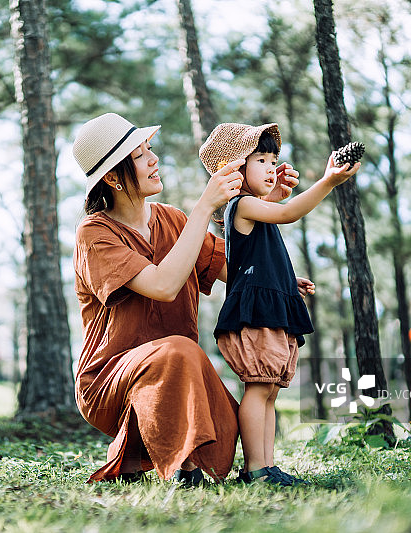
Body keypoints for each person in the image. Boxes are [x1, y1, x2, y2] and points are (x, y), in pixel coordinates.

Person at [71, 113, 300, 485]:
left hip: (183, 370)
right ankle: (182, 467)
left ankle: (178, 459)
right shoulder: (94, 234)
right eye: (140, 155)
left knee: (226, 421)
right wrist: (204, 207)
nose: (154, 160)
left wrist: (265, 203)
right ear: (112, 178)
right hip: (110, 381)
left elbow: (239, 268)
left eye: (150, 149)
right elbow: (163, 286)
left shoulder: (173, 220)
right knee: (178, 349)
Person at [199, 122, 360, 486]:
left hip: (269, 307)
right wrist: (328, 182)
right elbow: (289, 213)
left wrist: (287, 280)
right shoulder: (242, 205)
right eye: (260, 160)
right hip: (254, 314)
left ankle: (266, 466)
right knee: (258, 387)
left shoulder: (256, 209)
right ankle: (255, 468)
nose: (271, 167)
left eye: (273, 160)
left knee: (269, 390)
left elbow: (259, 257)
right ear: (233, 169)